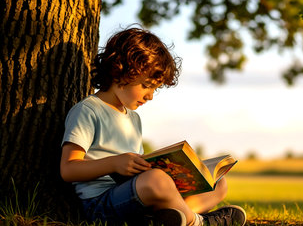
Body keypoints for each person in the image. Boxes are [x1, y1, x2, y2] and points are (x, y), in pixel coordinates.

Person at [60, 26, 246, 226]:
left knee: (217, 183)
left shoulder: (133, 118)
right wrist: (114, 163)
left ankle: (173, 219)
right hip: (101, 204)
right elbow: (68, 169)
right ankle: (200, 223)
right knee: (156, 180)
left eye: (154, 89)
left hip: (139, 198)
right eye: (146, 86)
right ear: (119, 71)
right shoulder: (88, 110)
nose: (150, 96)